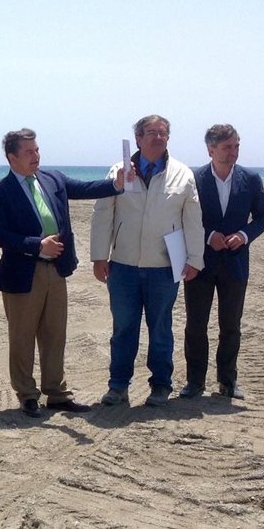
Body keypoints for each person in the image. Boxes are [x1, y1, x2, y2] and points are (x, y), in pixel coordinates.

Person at [0, 128, 125, 417]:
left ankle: (57, 393)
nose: (36, 155)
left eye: (37, 150)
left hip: (56, 270)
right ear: (12, 157)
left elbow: (85, 189)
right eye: (28, 152)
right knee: (22, 337)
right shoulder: (0, 192)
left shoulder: (53, 178)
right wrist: (36, 245)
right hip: (23, 273)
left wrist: (116, 184)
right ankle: (27, 395)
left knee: (55, 335)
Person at [90, 115, 204, 408]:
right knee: (123, 328)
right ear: (138, 139)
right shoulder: (119, 171)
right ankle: (118, 386)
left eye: (163, 133)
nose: (158, 137)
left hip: (164, 266)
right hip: (123, 265)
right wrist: (99, 256)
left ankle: (161, 385)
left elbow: (193, 220)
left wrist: (195, 259)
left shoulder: (182, 174)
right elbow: (103, 214)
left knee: (161, 329)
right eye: (151, 132)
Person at [180, 124, 264, 401]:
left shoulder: (250, 179)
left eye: (236, 146)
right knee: (196, 325)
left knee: (231, 325)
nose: (234, 152)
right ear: (211, 149)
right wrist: (209, 237)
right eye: (227, 147)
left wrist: (244, 235)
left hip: (235, 263)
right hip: (200, 263)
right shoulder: (194, 179)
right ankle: (195, 382)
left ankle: (228, 381)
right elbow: (184, 218)